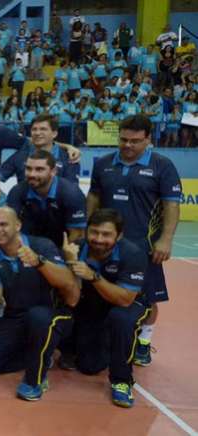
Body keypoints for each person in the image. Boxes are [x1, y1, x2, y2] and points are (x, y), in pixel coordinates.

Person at [87, 114, 181, 366]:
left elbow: (172, 205)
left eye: (135, 141)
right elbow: (94, 199)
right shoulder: (104, 163)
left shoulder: (163, 166)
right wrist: (87, 230)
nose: (128, 145)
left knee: (148, 297)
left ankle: (144, 341)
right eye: (124, 139)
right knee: (104, 293)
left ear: (148, 139)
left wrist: (166, 240)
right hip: (106, 247)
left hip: (145, 246)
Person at [0, 207, 80, 401]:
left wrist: (38, 262)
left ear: (18, 226)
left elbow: (68, 284)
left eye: (3, 224)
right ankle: (40, 355)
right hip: (15, 317)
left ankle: (34, 379)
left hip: (51, 315)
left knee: (38, 316)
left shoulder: (42, 245)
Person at [62, 209, 150, 408]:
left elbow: (125, 299)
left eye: (106, 234)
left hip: (129, 303)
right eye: (94, 232)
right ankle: (72, 347)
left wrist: (93, 276)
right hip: (94, 304)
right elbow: (71, 298)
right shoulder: (75, 249)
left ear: (119, 236)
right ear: (86, 231)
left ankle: (121, 381)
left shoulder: (133, 254)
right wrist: (70, 265)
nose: (99, 239)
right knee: (89, 366)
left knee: (122, 319)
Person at [6, 150, 86, 248]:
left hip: (63, 244)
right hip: (29, 244)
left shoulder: (71, 193)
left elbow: (77, 234)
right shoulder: (17, 191)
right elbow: (8, 227)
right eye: (28, 168)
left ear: (53, 171)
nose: (32, 174)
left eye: (39, 169)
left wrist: (63, 258)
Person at [0, 114, 80, 185]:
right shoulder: (20, 155)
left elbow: (72, 191)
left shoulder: (69, 158)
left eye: (43, 129)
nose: (37, 133)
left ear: (54, 134)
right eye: (34, 129)